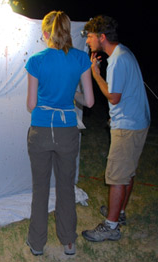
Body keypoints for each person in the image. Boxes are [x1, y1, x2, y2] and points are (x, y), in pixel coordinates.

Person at [25, 11, 94, 256]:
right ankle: (68, 241)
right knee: (66, 187)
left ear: (46, 33)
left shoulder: (36, 60)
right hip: (67, 132)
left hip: (41, 130)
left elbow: (32, 104)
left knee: (40, 188)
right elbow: (90, 101)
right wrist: (71, 96)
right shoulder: (80, 59)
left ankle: (37, 243)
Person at [81, 15, 150, 242]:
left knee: (118, 176)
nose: (88, 40)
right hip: (136, 121)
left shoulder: (118, 60)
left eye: (90, 36)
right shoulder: (124, 53)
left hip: (128, 126)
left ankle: (110, 227)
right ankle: (118, 213)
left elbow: (113, 96)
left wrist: (96, 75)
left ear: (102, 37)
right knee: (127, 172)